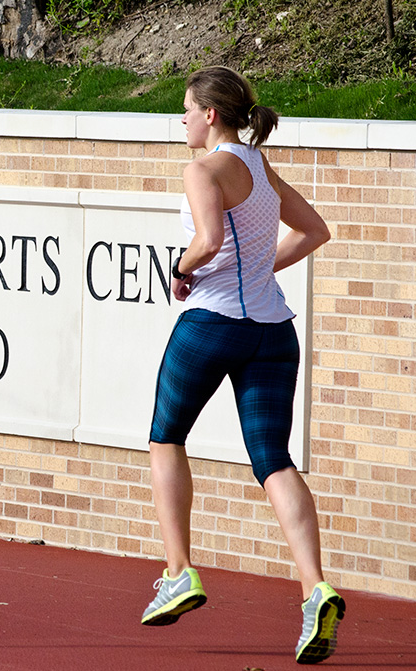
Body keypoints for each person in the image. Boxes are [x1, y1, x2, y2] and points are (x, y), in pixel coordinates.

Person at [139, 67, 342, 664]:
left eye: (185, 109)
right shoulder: (260, 166)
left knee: (165, 439)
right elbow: (315, 231)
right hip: (273, 334)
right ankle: (315, 589)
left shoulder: (202, 169)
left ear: (210, 115)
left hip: (212, 324)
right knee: (273, 462)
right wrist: (257, 272)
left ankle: (179, 572)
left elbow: (204, 241)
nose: (180, 120)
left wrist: (181, 271)